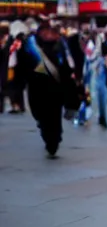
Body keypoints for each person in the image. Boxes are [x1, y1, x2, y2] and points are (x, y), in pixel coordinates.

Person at [21, 19, 78, 157]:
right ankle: (48, 136)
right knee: (41, 115)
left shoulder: (61, 46)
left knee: (54, 116)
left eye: (53, 31)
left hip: (55, 89)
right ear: (40, 32)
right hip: (37, 88)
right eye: (46, 31)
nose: (49, 34)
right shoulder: (31, 46)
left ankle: (54, 140)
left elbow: (67, 67)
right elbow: (24, 65)